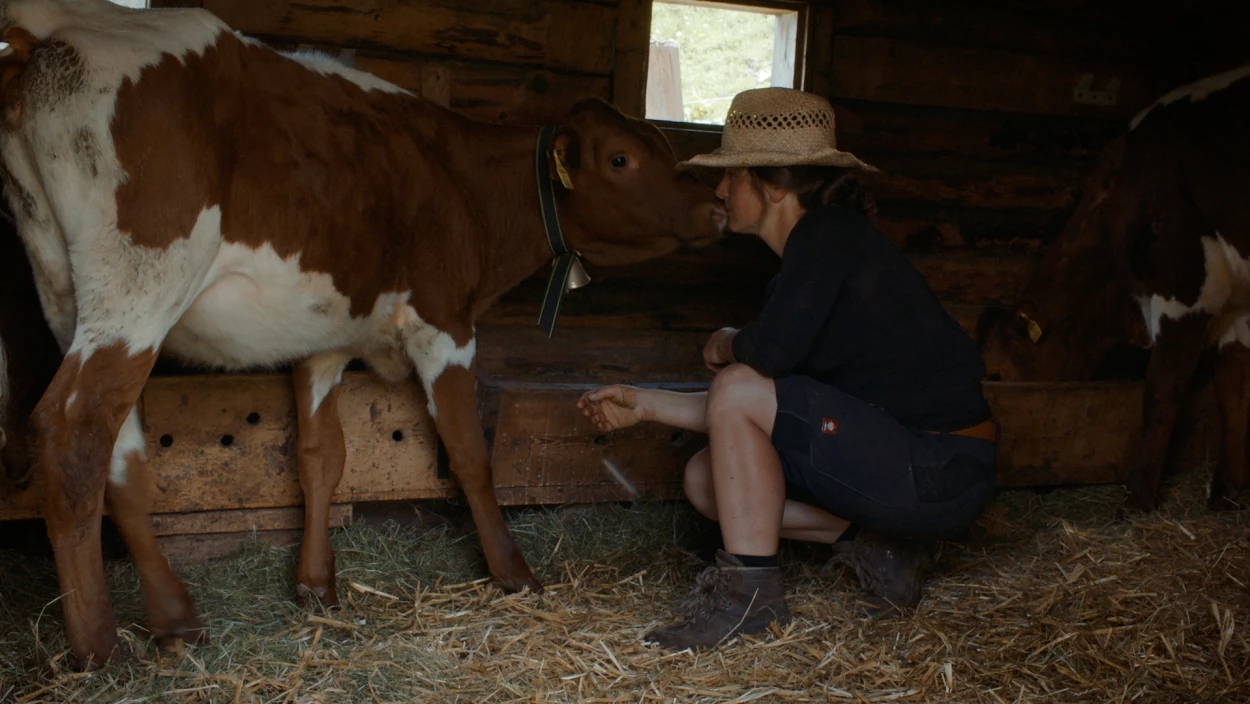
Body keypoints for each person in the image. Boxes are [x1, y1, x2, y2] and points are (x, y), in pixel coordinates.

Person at [577, 88, 997, 650]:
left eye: (733, 175)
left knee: (739, 382)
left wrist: (727, 342)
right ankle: (879, 549)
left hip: (941, 466)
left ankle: (748, 602)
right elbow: (753, 412)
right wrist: (644, 404)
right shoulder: (804, 271)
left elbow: (756, 371)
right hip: (899, 465)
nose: (721, 190)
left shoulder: (830, 235)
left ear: (774, 185)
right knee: (706, 481)